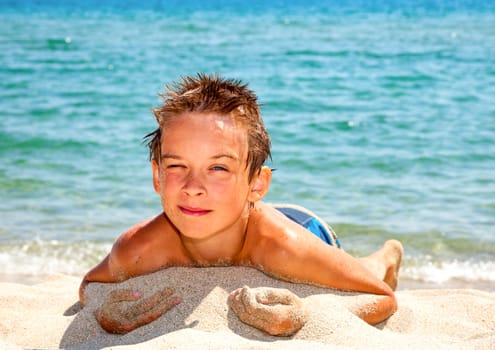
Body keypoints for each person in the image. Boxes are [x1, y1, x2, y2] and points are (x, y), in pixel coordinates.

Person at [80, 73, 403, 334]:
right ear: (157, 176)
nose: (193, 188)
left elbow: (379, 295)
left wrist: (308, 314)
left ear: (257, 183)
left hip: (302, 226)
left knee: (361, 271)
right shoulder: (139, 248)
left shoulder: (284, 248)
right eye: (177, 166)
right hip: (241, 211)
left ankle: (388, 254)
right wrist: (105, 312)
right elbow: (90, 286)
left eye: (218, 168)